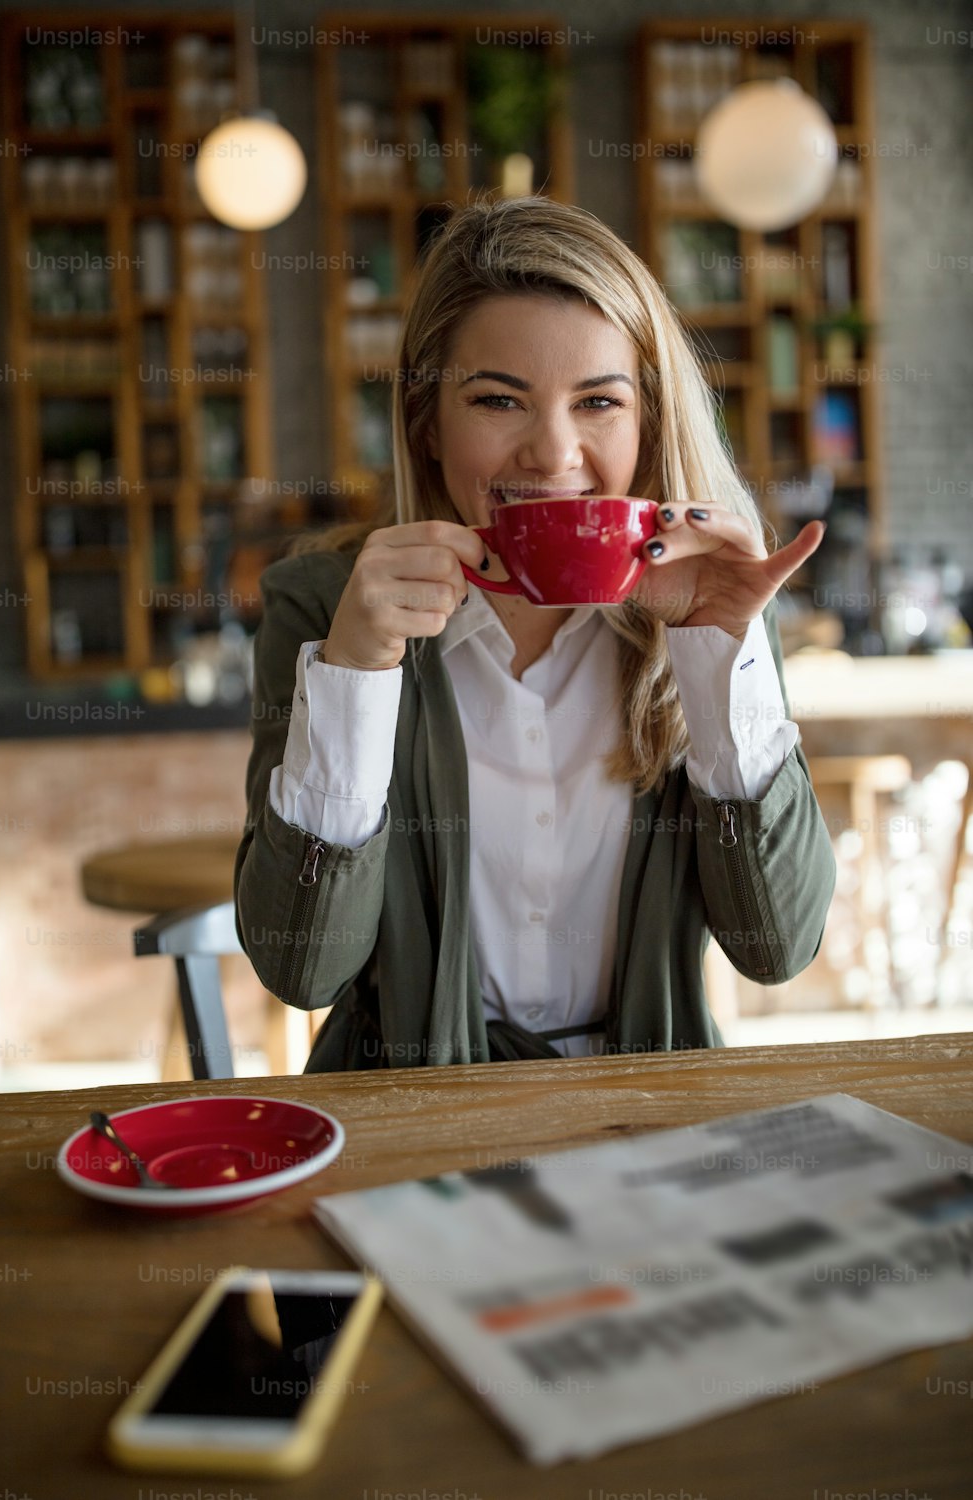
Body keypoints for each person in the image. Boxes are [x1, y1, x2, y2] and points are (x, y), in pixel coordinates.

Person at [235, 196, 835, 1071]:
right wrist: (356, 671)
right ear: (426, 422)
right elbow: (302, 967)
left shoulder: (710, 607)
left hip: (647, 1125)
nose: (553, 455)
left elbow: (776, 947)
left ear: (647, 421)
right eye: (498, 400)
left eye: (598, 401)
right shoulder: (326, 610)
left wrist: (716, 649)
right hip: (413, 1124)